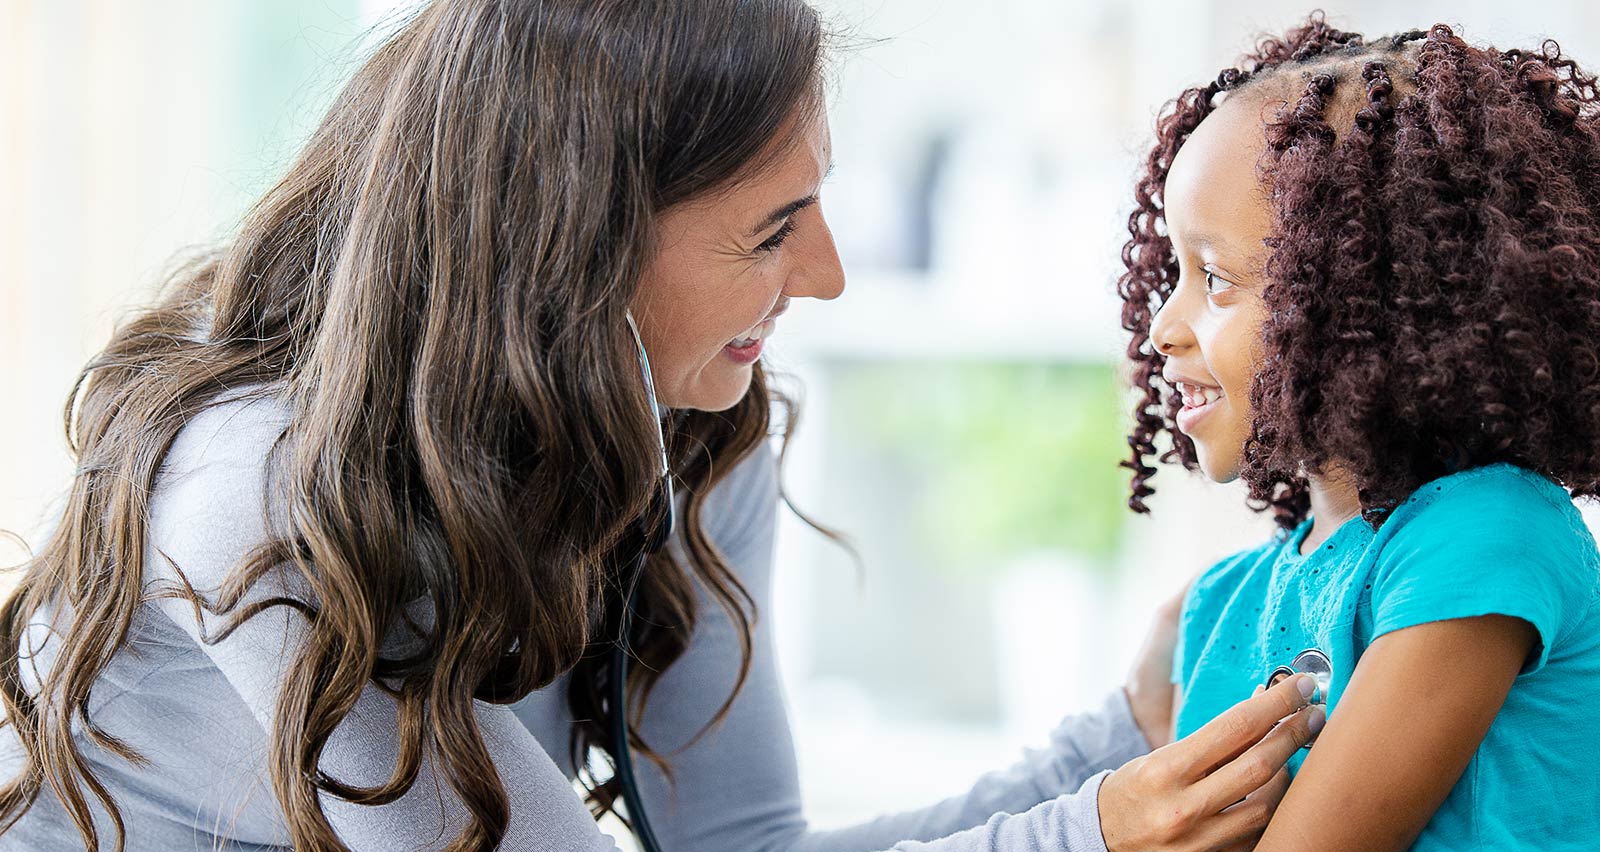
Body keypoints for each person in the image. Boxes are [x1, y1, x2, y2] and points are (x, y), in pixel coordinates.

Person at [0, 2, 1320, 850]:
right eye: (768, 230)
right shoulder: (257, 490)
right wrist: (1085, 834)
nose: (827, 277)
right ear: (568, 254)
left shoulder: (691, 429)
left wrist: (1122, 742)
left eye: (816, 205)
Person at [1118, 14, 1600, 852]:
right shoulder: (1219, 602)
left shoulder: (1484, 535)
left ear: (1358, 301)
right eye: (1176, 272)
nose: (1165, 324)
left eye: (1217, 279)